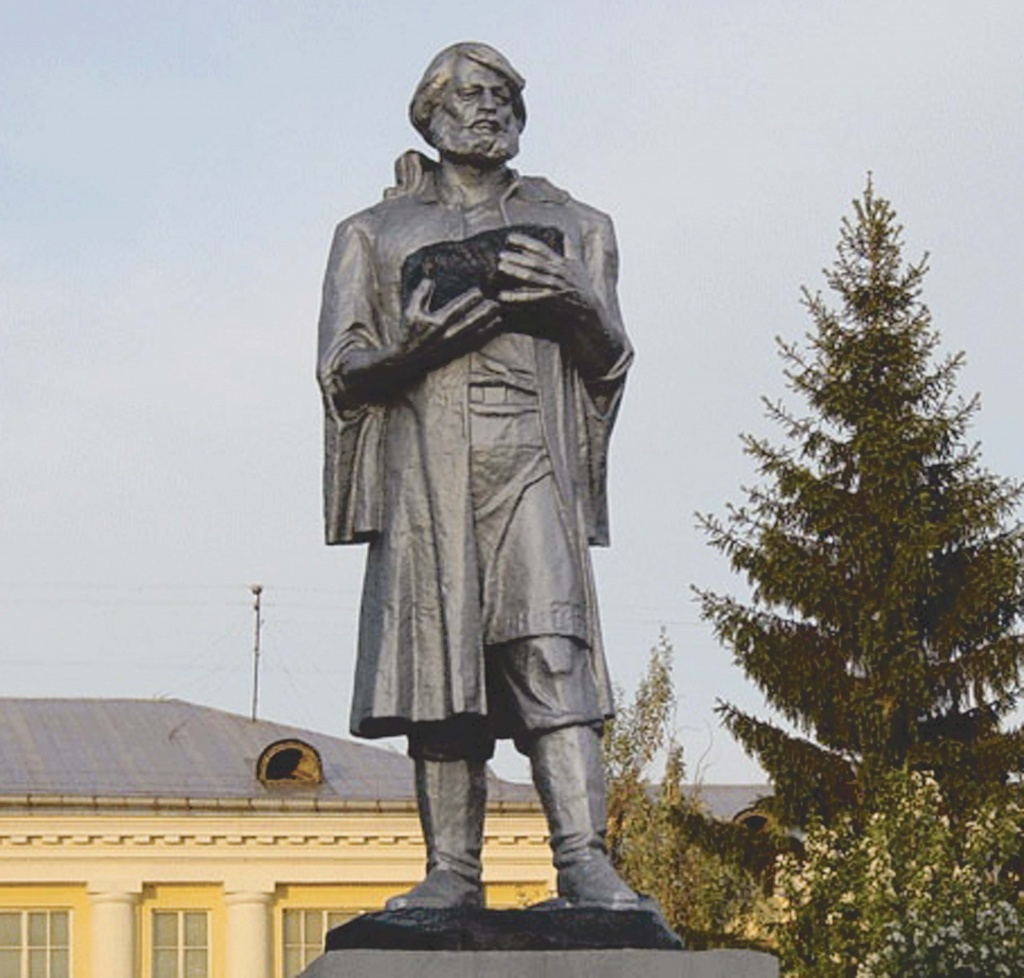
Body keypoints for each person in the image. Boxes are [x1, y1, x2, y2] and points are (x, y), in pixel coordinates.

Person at [316, 42, 636, 910]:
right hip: (428, 470)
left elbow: (609, 363)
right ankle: (452, 872)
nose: (488, 107)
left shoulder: (579, 227)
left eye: (502, 95)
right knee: (438, 666)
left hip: (531, 456)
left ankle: (585, 863)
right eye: (467, 94)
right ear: (431, 114)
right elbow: (341, 371)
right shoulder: (372, 235)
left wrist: (576, 302)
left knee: (552, 650)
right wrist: (408, 352)